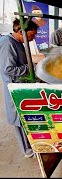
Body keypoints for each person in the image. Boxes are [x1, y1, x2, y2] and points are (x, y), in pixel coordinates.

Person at [0, 18, 39, 158]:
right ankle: (27, 151)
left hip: (22, 86)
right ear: (21, 32)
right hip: (14, 87)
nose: (32, 38)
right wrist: (30, 68)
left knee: (25, 118)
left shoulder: (18, 42)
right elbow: (8, 69)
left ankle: (32, 145)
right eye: (31, 35)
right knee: (19, 120)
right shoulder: (7, 43)